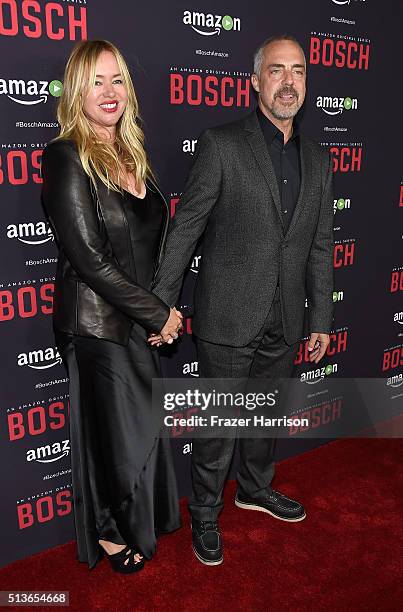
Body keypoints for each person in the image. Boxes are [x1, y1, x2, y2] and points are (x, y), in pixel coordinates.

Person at [150, 34, 335, 565]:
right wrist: (163, 302)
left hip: (286, 317)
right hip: (228, 314)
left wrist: (320, 316)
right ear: (255, 81)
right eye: (276, 71)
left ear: (306, 81)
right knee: (217, 426)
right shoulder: (222, 144)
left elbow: (320, 245)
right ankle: (205, 513)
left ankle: (255, 489)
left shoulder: (320, 161)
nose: (288, 82)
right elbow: (186, 230)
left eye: (297, 71)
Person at [41, 40, 182, 573]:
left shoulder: (132, 152)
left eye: (117, 80)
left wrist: (160, 308)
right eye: (96, 82)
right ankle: (106, 532)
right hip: (96, 324)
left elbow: (151, 246)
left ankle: (144, 516)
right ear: (77, 92)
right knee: (109, 434)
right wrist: (157, 314)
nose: (109, 93)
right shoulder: (66, 156)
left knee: (139, 427)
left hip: (138, 315)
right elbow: (89, 258)